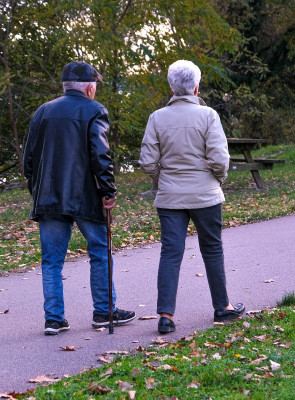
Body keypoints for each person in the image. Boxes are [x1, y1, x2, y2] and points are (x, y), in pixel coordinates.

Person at [23, 61, 135, 335]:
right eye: (95, 85)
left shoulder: (42, 111)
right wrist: (108, 191)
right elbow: (100, 155)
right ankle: (104, 311)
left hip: (48, 197)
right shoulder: (95, 110)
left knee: (51, 260)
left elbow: (28, 160)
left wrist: (36, 190)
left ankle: (54, 319)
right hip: (85, 196)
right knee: (99, 251)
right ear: (89, 87)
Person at [139, 60, 245, 334]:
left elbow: (148, 162)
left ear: (171, 87)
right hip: (205, 195)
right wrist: (216, 180)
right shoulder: (208, 115)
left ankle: (165, 315)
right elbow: (220, 159)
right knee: (212, 249)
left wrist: (161, 179)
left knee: (171, 253)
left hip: (169, 197)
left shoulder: (156, 117)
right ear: (196, 87)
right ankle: (222, 307)